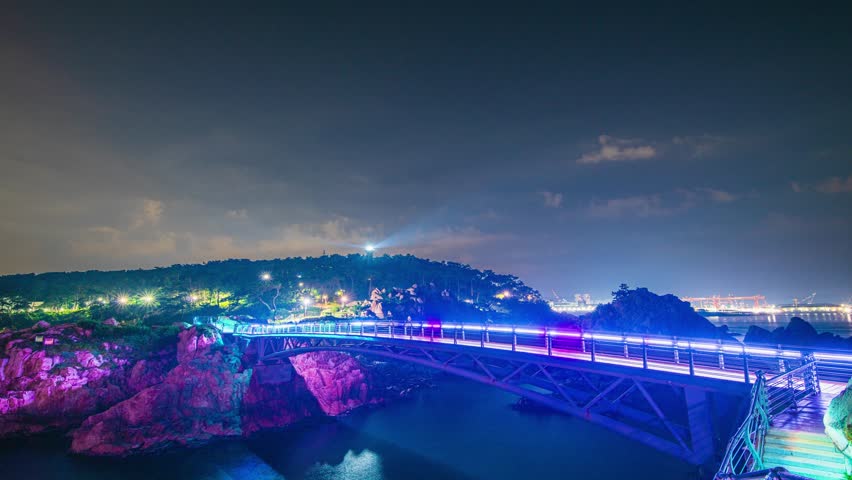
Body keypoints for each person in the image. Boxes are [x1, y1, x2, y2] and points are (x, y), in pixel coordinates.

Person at [824, 377, 852, 475]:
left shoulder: (840, 399)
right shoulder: (846, 400)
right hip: (839, 429)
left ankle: (849, 471)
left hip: (836, 428)